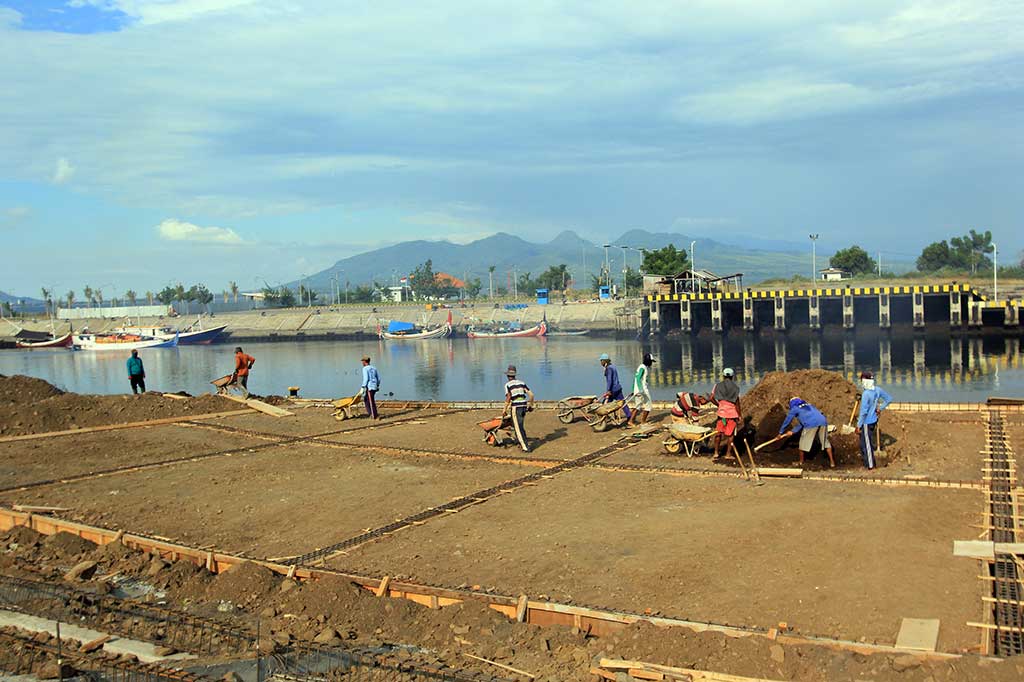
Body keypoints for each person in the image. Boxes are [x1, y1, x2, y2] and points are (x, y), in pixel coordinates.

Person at [778, 397, 835, 468]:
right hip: (823, 421)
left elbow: (787, 421)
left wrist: (780, 432)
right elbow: (803, 423)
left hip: (811, 424)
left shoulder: (795, 408)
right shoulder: (809, 405)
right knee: (825, 442)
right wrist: (793, 431)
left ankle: (801, 462)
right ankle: (832, 462)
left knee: (802, 443)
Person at [856, 371, 893, 470]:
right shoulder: (877, 390)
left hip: (866, 422)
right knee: (864, 443)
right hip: (874, 421)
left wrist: (858, 425)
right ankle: (867, 464)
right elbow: (888, 399)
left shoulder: (866, 394)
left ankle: (871, 466)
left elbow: (863, 412)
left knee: (867, 445)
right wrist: (880, 408)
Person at [503, 364, 535, 453]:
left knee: (518, 428)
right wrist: (531, 405)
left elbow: (508, 397)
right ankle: (521, 442)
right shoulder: (522, 383)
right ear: (514, 375)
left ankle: (525, 448)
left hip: (516, 407)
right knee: (520, 425)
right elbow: (531, 395)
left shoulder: (508, 385)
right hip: (524, 406)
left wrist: (504, 410)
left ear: (507, 376)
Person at [711, 367, 741, 459]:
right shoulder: (736, 388)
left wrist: (719, 405)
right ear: (732, 376)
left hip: (722, 415)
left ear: (723, 376)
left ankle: (716, 453)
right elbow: (737, 403)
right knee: (730, 435)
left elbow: (711, 398)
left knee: (719, 433)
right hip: (732, 415)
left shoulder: (717, 385)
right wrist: (740, 415)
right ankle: (728, 454)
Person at [599, 353, 631, 421]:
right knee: (622, 402)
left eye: (601, 361)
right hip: (618, 388)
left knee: (605, 403)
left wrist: (608, 391)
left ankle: (603, 417)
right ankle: (629, 416)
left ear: (605, 361)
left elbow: (610, 381)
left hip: (613, 390)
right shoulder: (612, 367)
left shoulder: (609, 368)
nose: (600, 362)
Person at [627, 353, 655, 426]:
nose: (651, 363)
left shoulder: (640, 367)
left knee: (638, 406)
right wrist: (640, 389)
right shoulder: (643, 368)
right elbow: (638, 378)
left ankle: (631, 421)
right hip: (642, 390)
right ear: (648, 361)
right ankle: (643, 421)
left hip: (638, 390)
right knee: (648, 406)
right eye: (651, 361)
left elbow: (635, 379)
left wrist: (633, 390)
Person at [360, 355, 381, 420]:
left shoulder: (365, 369)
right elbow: (378, 378)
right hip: (374, 386)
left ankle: (374, 415)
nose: (362, 363)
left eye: (362, 361)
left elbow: (366, 378)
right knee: (367, 399)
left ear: (364, 362)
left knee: (370, 401)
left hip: (370, 387)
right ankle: (372, 413)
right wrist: (377, 385)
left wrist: (363, 386)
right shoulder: (374, 368)